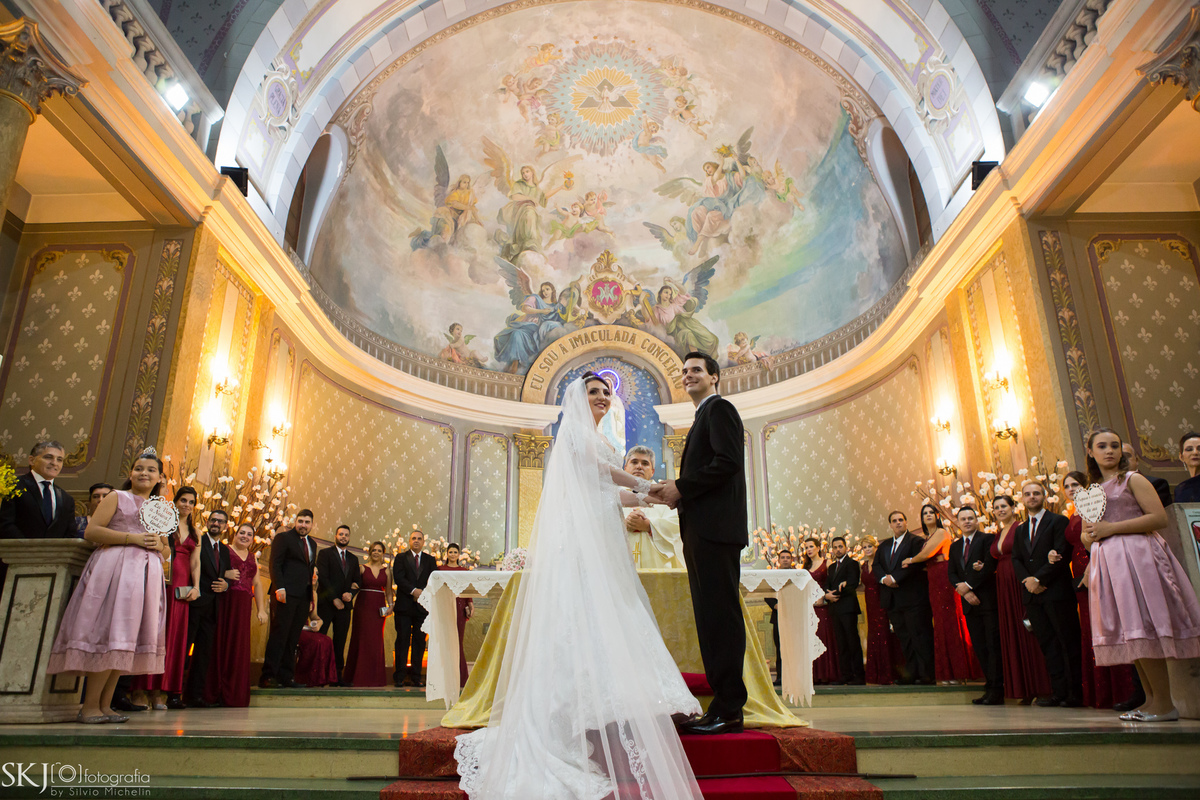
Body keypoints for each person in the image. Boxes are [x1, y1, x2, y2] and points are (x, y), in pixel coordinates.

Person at [454, 373, 702, 798]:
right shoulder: (573, 433)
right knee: (583, 613)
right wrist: (646, 484)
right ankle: (572, 712)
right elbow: (601, 471)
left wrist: (652, 498)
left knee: (613, 612)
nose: (603, 397)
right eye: (594, 392)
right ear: (578, 398)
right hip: (582, 543)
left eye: (607, 392)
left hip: (604, 539)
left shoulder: (599, 437)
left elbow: (606, 493)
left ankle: (619, 702)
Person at [649, 352, 749, 735]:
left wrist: (681, 488)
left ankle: (730, 709)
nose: (688, 375)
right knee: (710, 620)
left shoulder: (720, 409)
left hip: (716, 531)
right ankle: (721, 706)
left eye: (696, 370)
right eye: (684, 371)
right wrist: (674, 492)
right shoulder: (701, 417)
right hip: (701, 530)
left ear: (714, 377)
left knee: (721, 619)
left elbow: (727, 462)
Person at [1082, 428, 1200, 722]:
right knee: (1130, 631)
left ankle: (1165, 704)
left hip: (1139, 557)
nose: (1109, 451)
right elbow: (1087, 534)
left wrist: (1111, 529)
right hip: (1111, 563)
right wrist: (1090, 536)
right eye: (1102, 446)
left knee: (1144, 626)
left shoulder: (1132, 479)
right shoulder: (1092, 490)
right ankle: (1150, 700)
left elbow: (1158, 518)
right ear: (1090, 452)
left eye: (1114, 445)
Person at [46, 448, 169, 723]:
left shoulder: (159, 508)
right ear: (131, 473)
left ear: (160, 477)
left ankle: (106, 705)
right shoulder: (117, 497)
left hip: (145, 576)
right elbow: (92, 531)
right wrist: (133, 538)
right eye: (139, 468)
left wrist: (158, 545)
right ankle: (89, 705)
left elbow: (166, 549)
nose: (144, 473)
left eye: (151, 470)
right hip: (116, 570)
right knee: (110, 635)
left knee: (125, 640)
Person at [1054, 471, 1134, 709]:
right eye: (1067, 486)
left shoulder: (1095, 506)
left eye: (1076, 484)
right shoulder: (1071, 514)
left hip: (1095, 566)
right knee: (1089, 627)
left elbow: (1099, 538)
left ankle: (1122, 690)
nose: (1071, 489)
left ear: (1086, 486)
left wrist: (1092, 566)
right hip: (1078, 572)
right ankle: (1098, 691)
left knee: (1107, 622)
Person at [1012, 481, 1082, 707]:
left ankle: (1074, 694)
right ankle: (1058, 692)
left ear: (1044, 496)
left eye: (1036, 493)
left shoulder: (1058, 521)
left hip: (1056, 591)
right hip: (1033, 596)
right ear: (1022, 499)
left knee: (1067, 642)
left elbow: (1062, 554)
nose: (1031, 497)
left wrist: (1039, 579)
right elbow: (1016, 559)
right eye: (1027, 494)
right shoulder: (1021, 528)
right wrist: (1028, 581)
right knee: (1048, 644)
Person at [135, 486, 200, 711]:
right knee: (154, 633)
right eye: (183, 500)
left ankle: (162, 689)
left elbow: (195, 562)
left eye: (191, 502)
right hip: (162, 580)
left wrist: (196, 586)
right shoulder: (164, 521)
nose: (187, 505)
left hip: (182, 588)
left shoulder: (195, 531)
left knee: (174, 639)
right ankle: (141, 687)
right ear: (176, 501)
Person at [901, 503, 978, 685]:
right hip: (933, 579)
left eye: (931, 512)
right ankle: (947, 673)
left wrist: (910, 559)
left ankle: (959, 672)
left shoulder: (942, 533)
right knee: (940, 624)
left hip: (944, 578)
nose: (928, 515)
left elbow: (926, 554)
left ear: (937, 516)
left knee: (950, 622)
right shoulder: (927, 537)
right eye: (925, 513)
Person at [946, 506, 1002, 704]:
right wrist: (964, 591)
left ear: (977, 520)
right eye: (963, 519)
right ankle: (989, 687)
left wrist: (969, 586)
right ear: (958, 522)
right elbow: (951, 573)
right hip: (969, 604)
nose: (967, 521)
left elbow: (989, 566)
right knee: (979, 646)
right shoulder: (954, 546)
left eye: (971, 518)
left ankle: (997, 689)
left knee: (993, 646)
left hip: (987, 600)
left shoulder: (988, 539)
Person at [873, 511, 935, 684]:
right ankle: (912, 674)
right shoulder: (884, 545)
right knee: (904, 638)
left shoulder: (916, 542)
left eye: (901, 520)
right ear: (890, 525)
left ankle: (927, 674)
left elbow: (916, 564)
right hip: (893, 599)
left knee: (919, 636)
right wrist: (884, 579)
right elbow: (876, 565)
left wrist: (894, 578)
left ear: (906, 522)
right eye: (894, 521)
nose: (898, 523)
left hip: (913, 598)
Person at [210, 523, 267, 707]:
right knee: (221, 642)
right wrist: (225, 573)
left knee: (238, 645)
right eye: (242, 532)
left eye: (249, 534)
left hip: (243, 606)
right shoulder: (224, 550)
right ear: (235, 534)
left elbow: (257, 584)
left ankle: (234, 693)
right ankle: (216, 691)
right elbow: (211, 570)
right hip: (226, 602)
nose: (245, 536)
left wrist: (261, 609)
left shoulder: (252, 557)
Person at [260, 509, 318, 689]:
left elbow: (309, 570)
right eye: (300, 521)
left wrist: (310, 597)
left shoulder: (312, 543)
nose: (303, 525)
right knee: (279, 635)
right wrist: (280, 588)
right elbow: (275, 563)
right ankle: (268, 676)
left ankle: (286, 676)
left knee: (293, 637)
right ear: (295, 522)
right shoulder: (283, 538)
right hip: (285, 593)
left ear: (312, 524)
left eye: (307, 522)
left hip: (303, 596)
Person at [187, 509, 233, 707]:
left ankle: (195, 696)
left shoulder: (225, 550)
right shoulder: (197, 541)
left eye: (220, 521)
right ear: (207, 522)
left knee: (203, 654)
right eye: (213, 520)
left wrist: (226, 585)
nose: (216, 524)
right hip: (194, 603)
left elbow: (224, 575)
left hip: (213, 608)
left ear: (225, 526)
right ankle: (173, 693)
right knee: (184, 649)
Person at [623, 446, 684, 568]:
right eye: (634, 462)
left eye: (645, 463)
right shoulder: (613, 495)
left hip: (658, 566)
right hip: (621, 564)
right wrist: (624, 523)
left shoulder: (665, 495)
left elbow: (677, 525)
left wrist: (649, 526)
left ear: (652, 471)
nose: (639, 466)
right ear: (625, 468)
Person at [0, 440, 75, 539]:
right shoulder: (13, 486)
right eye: (48, 457)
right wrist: (28, 546)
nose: (54, 463)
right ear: (32, 460)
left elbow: (70, 533)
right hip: (18, 548)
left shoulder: (67, 499)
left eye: (59, 459)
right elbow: (5, 524)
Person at [316, 524, 361, 686]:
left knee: (340, 642)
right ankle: (318, 675)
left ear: (349, 537)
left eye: (346, 535)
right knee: (320, 639)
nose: (343, 537)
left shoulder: (353, 559)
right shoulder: (324, 554)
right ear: (335, 536)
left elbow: (357, 581)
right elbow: (323, 578)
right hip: (326, 605)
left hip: (345, 607)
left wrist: (351, 594)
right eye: (341, 534)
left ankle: (336, 677)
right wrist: (334, 598)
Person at [392, 528, 437, 687]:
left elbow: (434, 580)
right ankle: (400, 676)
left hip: (422, 608)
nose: (416, 541)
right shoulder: (400, 558)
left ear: (423, 542)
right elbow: (398, 578)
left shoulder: (430, 560)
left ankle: (416, 677)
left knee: (419, 642)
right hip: (404, 607)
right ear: (409, 541)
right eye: (413, 538)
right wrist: (413, 590)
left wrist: (422, 593)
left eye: (419, 538)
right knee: (402, 641)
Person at [344, 541, 391, 687]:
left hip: (379, 608)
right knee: (361, 639)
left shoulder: (387, 571)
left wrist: (391, 606)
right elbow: (354, 585)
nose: (376, 553)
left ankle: (375, 678)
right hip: (363, 606)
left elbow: (389, 591)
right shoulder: (362, 568)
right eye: (374, 550)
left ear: (383, 553)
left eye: (379, 550)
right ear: (370, 552)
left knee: (375, 641)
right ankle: (358, 676)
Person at [860, 536, 904, 684]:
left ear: (875, 547)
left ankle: (889, 672)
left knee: (884, 632)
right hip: (869, 601)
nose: (867, 549)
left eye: (869, 546)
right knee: (873, 633)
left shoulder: (882, 563)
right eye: (864, 547)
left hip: (882, 600)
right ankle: (875, 673)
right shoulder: (864, 565)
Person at [824, 536, 864, 685]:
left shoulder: (852, 564)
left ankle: (858, 676)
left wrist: (834, 595)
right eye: (835, 547)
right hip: (835, 609)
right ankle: (845, 675)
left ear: (846, 547)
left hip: (847, 608)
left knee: (852, 642)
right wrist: (827, 595)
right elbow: (826, 584)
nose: (838, 550)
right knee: (841, 644)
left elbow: (852, 583)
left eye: (840, 546)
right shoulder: (831, 567)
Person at [803, 538, 840, 685]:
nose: (809, 550)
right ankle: (815, 676)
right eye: (806, 547)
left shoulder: (827, 563)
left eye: (811, 546)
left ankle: (827, 674)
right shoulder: (805, 567)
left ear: (818, 548)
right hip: (810, 607)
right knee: (812, 639)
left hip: (824, 607)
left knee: (825, 638)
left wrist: (824, 597)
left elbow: (833, 583)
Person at [439, 542, 473, 687]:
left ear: (459, 555)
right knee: (445, 640)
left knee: (457, 641)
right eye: (450, 552)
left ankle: (460, 677)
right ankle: (444, 678)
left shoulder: (463, 571)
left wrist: (470, 603)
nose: (452, 554)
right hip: (444, 605)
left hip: (460, 605)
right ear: (446, 554)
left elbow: (467, 589)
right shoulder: (440, 570)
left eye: (455, 552)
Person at [764, 547, 794, 686]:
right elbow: (767, 592)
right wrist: (775, 605)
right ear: (779, 560)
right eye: (783, 558)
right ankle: (781, 677)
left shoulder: (797, 575)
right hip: (778, 616)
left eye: (788, 558)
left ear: (791, 560)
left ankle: (795, 677)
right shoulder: (773, 575)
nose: (785, 560)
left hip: (794, 616)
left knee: (794, 647)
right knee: (780, 647)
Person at [1123, 443, 1172, 509]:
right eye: (1119, 457)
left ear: (1136, 460)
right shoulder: (1108, 486)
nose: (1123, 460)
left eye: (1127, 456)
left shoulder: (1157, 484)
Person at [1174, 431, 1200, 503]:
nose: (1195, 452)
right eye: (1189, 449)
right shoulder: (1181, 489)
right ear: (1181, 457)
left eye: (1199, 448)